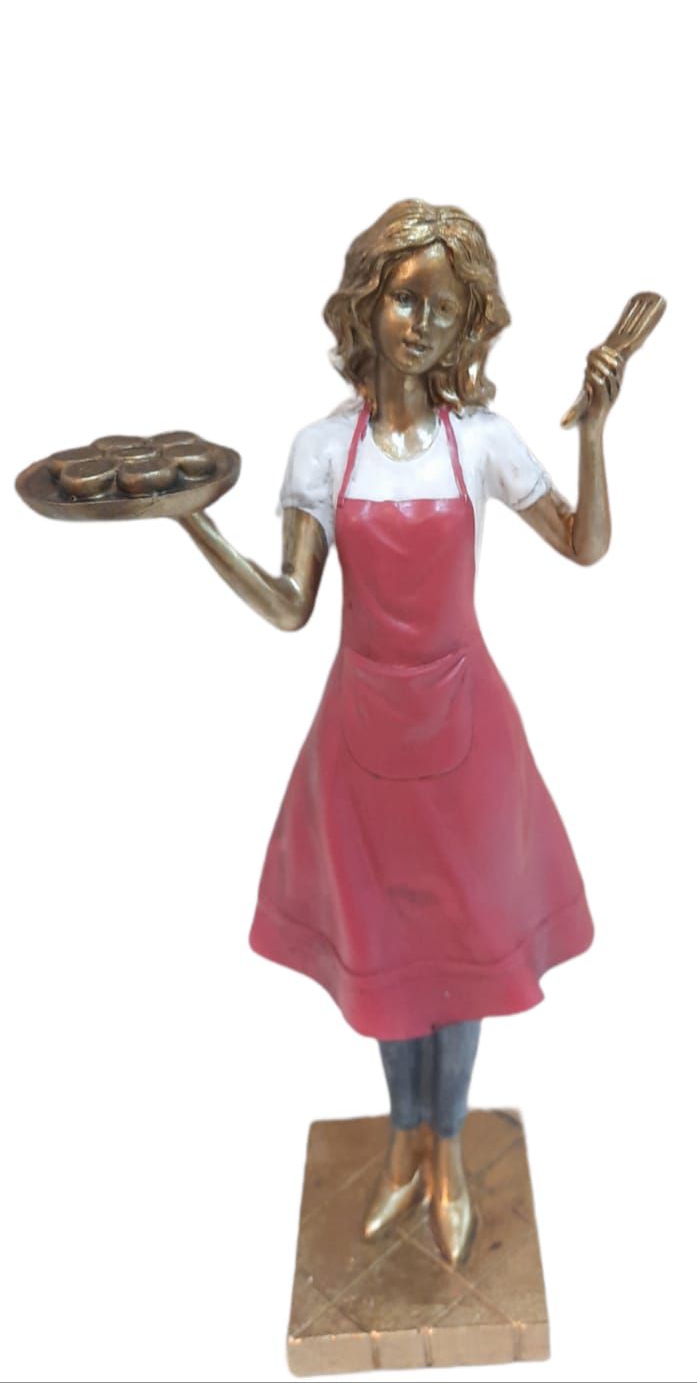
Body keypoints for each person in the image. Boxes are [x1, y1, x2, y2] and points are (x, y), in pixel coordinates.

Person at [178, 199, 629, 1265]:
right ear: (364, 300)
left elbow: (583, 544)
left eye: (446, 308)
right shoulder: (319, 449)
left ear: (469, 325)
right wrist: (192, 520)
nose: (422, 324)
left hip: (469, 742)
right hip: (360, 743)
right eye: (404, 298)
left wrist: (595, 434)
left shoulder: (482, 443)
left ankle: (450, 1149)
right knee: (384, 948)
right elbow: (290, 607)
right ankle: (401, 1141)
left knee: (462, 948)